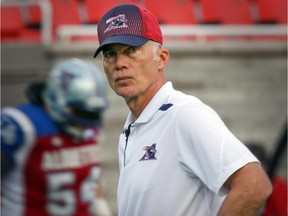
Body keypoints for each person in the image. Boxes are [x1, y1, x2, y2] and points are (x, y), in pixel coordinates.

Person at [92, 4, 273, 216]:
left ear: (162, 58)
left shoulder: (184, 114)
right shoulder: (132, 127)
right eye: (110, 54)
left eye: (131, 50)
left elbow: (254, 184)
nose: (120, 63)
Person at [1, 58, 112, 216]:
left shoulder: (90, 129)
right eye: (81, 112)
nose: (86, 121)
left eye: (92, 113)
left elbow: (92, 187)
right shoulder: (21, 125)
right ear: (56, 97)